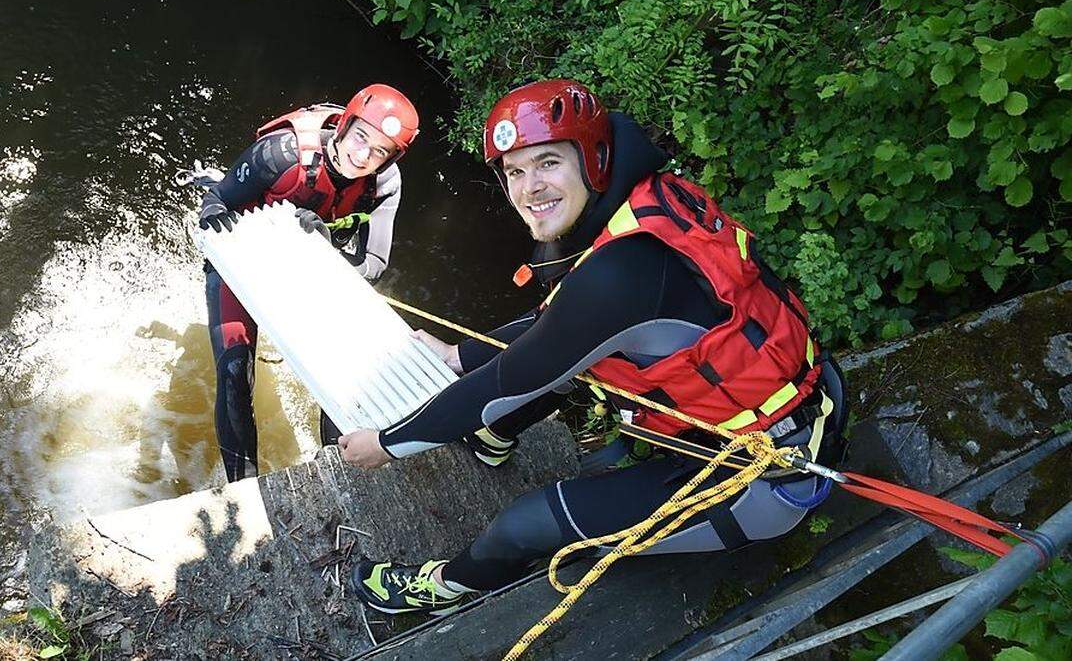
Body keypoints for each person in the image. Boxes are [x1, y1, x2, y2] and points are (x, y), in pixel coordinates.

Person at [338, 79, 848, 615]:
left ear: (595, 158)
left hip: (763, 479)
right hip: (795, 408)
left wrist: (387, 443)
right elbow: (555, 327)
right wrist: (454, 355)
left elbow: (503, 384)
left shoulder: (621, 274)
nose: (529, 188)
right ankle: (495, 442)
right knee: (573, 357)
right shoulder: (648, 202)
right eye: (515, 171)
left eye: (549, 163)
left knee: (523, 526)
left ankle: (443, 591)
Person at [197, 84, 419, 482]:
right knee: (233, 369)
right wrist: (213, 213)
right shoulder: (280, 153)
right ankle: (243, 485)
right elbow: (216, 202)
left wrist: (327, 244)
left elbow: (373, 264)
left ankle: (340, 472)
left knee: (345, 371)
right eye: (360, 138)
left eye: (379, 151)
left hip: (311, 269)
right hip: (243, 261)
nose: (362, 155)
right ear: (345, 126)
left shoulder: (385, 183)